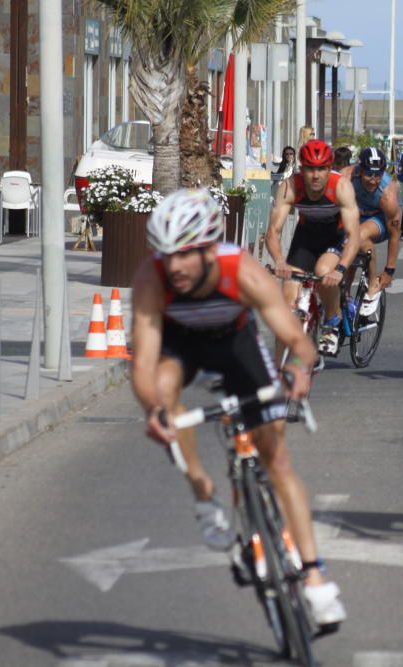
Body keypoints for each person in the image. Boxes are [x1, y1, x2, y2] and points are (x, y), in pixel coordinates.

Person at [130, 188, 346, 628]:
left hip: (235, 344)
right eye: (166, 256)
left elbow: (293, 336)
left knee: (278, 460)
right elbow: (144, 362)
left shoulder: (241, 271)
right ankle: (203, 493)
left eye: (186, 255)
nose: (175, 267)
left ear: (209, 249)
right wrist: (154, 409)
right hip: (181, 347)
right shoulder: (152, 281)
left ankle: (315, 577)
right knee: (164, 388)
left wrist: (301, 369)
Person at [265, 139, 361, 357]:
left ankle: (331, 320)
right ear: (301, 168)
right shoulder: (290, 186)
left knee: (323, 272)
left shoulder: (341, 187)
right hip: (306, 237)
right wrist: (280, 261)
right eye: (310, 169)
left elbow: (354, 237)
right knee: (289, 302)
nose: (315, 175)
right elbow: (273, 232)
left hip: (335, 237)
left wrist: (341, 269)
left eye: (321, 169)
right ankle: (281, 374)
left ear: (330, 168)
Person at [339, 147, 402, 315]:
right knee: (353, 250)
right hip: (356, 217)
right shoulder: (346, 176)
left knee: (357, 235)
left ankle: (373, 283)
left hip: (380, 220)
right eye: (368, 175)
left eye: (378, 175)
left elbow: (395, 234)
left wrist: (389, 270)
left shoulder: (388, 195)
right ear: (360, 170)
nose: (373, 181)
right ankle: (344, 297)